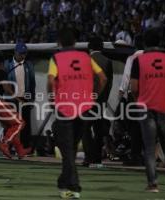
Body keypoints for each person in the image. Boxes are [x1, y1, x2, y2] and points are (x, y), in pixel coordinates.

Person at [47, 28, 107, 199]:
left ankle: (74, 187)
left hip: (65, 108)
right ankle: (63, 182)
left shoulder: (56, 58)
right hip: (84, 108)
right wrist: (93, 96)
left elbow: (51, 81)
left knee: (67, 150)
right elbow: (103, 78)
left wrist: (52, 100)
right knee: (71, 150)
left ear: (59, 42)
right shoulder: (87, 58)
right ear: (75, 42)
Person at [130, 29, 165, 193]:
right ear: (160, 42)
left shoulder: (139, 60)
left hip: (146, 106)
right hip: (164, 106)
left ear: (145, 43)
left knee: (150, 148)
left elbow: (134, 87)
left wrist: (138, 99)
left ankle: (153, 184)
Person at [0, 52, 32, 159]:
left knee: (11, 126)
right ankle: (4, 143)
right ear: (2, 62)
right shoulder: (2, 73)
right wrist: (19, 99)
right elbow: (7, 89)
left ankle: (20, 151)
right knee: (20, 123)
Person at [82, 35, 113, 166]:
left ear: (89, 47)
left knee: (85, 129)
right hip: (100, 101)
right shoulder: (107, 61)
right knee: (99, 129)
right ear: (101, 47)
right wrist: (103, 98)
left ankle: (89, 157)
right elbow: (109, 83)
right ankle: (97, 158)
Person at [4, 42, 36, 149]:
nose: (23, 56)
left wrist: (32, 99)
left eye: (25, 53)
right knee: (11, 124)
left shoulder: (29, 65)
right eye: (21, 53)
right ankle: (8, 146)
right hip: (11, 99)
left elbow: (32, 83)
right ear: (15, 52)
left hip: (24, 98)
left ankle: (25, 146)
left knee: (25, 124)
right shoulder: (7, 64)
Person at [119, 34, 144, 166]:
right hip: (150, 94)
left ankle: (135, 155)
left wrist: (121, 93)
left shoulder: (132, 57)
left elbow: (127, 77)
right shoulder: (149, 56)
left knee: (134, 127)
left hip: (134, 95)